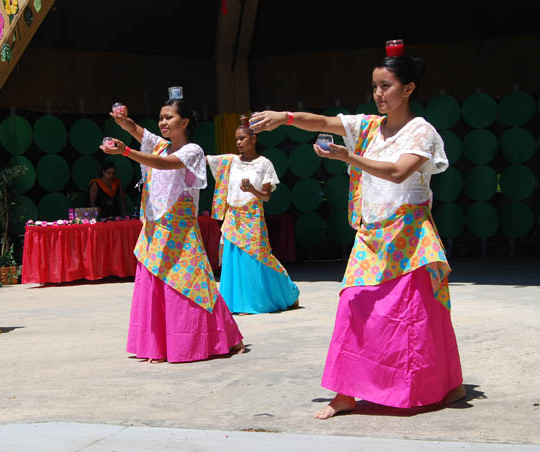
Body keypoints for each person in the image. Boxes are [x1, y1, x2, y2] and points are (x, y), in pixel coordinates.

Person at [251, 54, 464, 418]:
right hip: (371, 235)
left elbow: (398, 172)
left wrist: (348, 158)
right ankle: (346, 393)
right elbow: (322, 121)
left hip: (409, 236)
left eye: (386, 86)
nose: (378, 94)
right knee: (354, 304)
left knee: (413, 314)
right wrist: (283, 117)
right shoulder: (368, 127)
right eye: (375, 87)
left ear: (408, 88)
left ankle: (436, 385)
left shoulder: (421, 131)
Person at [101, 97, 244, 363]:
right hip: (156, 228)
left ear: (185, 122)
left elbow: (164, 164)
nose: (163, 122)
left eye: (169, 117)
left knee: (191, 284)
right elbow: (137, 131)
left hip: (180, 231)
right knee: (155, 281)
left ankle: (208, 339)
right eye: (161, 117)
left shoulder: (193, 151)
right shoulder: (161, 146)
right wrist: (123, 122)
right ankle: (159, 345)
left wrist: (126, 152)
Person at [206, 117, 300, 314]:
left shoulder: (264, 164)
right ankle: (237, 303)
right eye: (236, 139)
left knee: (259, 258)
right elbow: (203, 158)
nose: (238, 142)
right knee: (235, 261)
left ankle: (280, 295)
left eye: (242, 138)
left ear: (253, 139)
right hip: (233, 216)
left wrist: (252, 190)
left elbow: (266, 197)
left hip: (253, 216)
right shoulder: (229, 162)